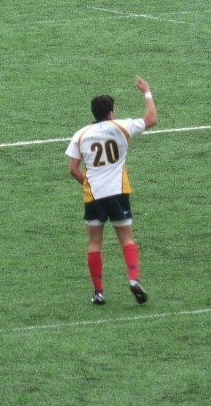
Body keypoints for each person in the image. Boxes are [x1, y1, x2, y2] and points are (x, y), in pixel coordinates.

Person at [65, 76, 157, 306]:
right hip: (118, 192)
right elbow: (151, 118)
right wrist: (146, 91)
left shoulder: (81, 134)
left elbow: (73, 169)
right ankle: (134, 279)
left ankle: (99, 292)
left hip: (93, 195)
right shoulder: (121, 127)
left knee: (95, 243)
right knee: (126, 238)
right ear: (111, 112)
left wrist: (87, 183)